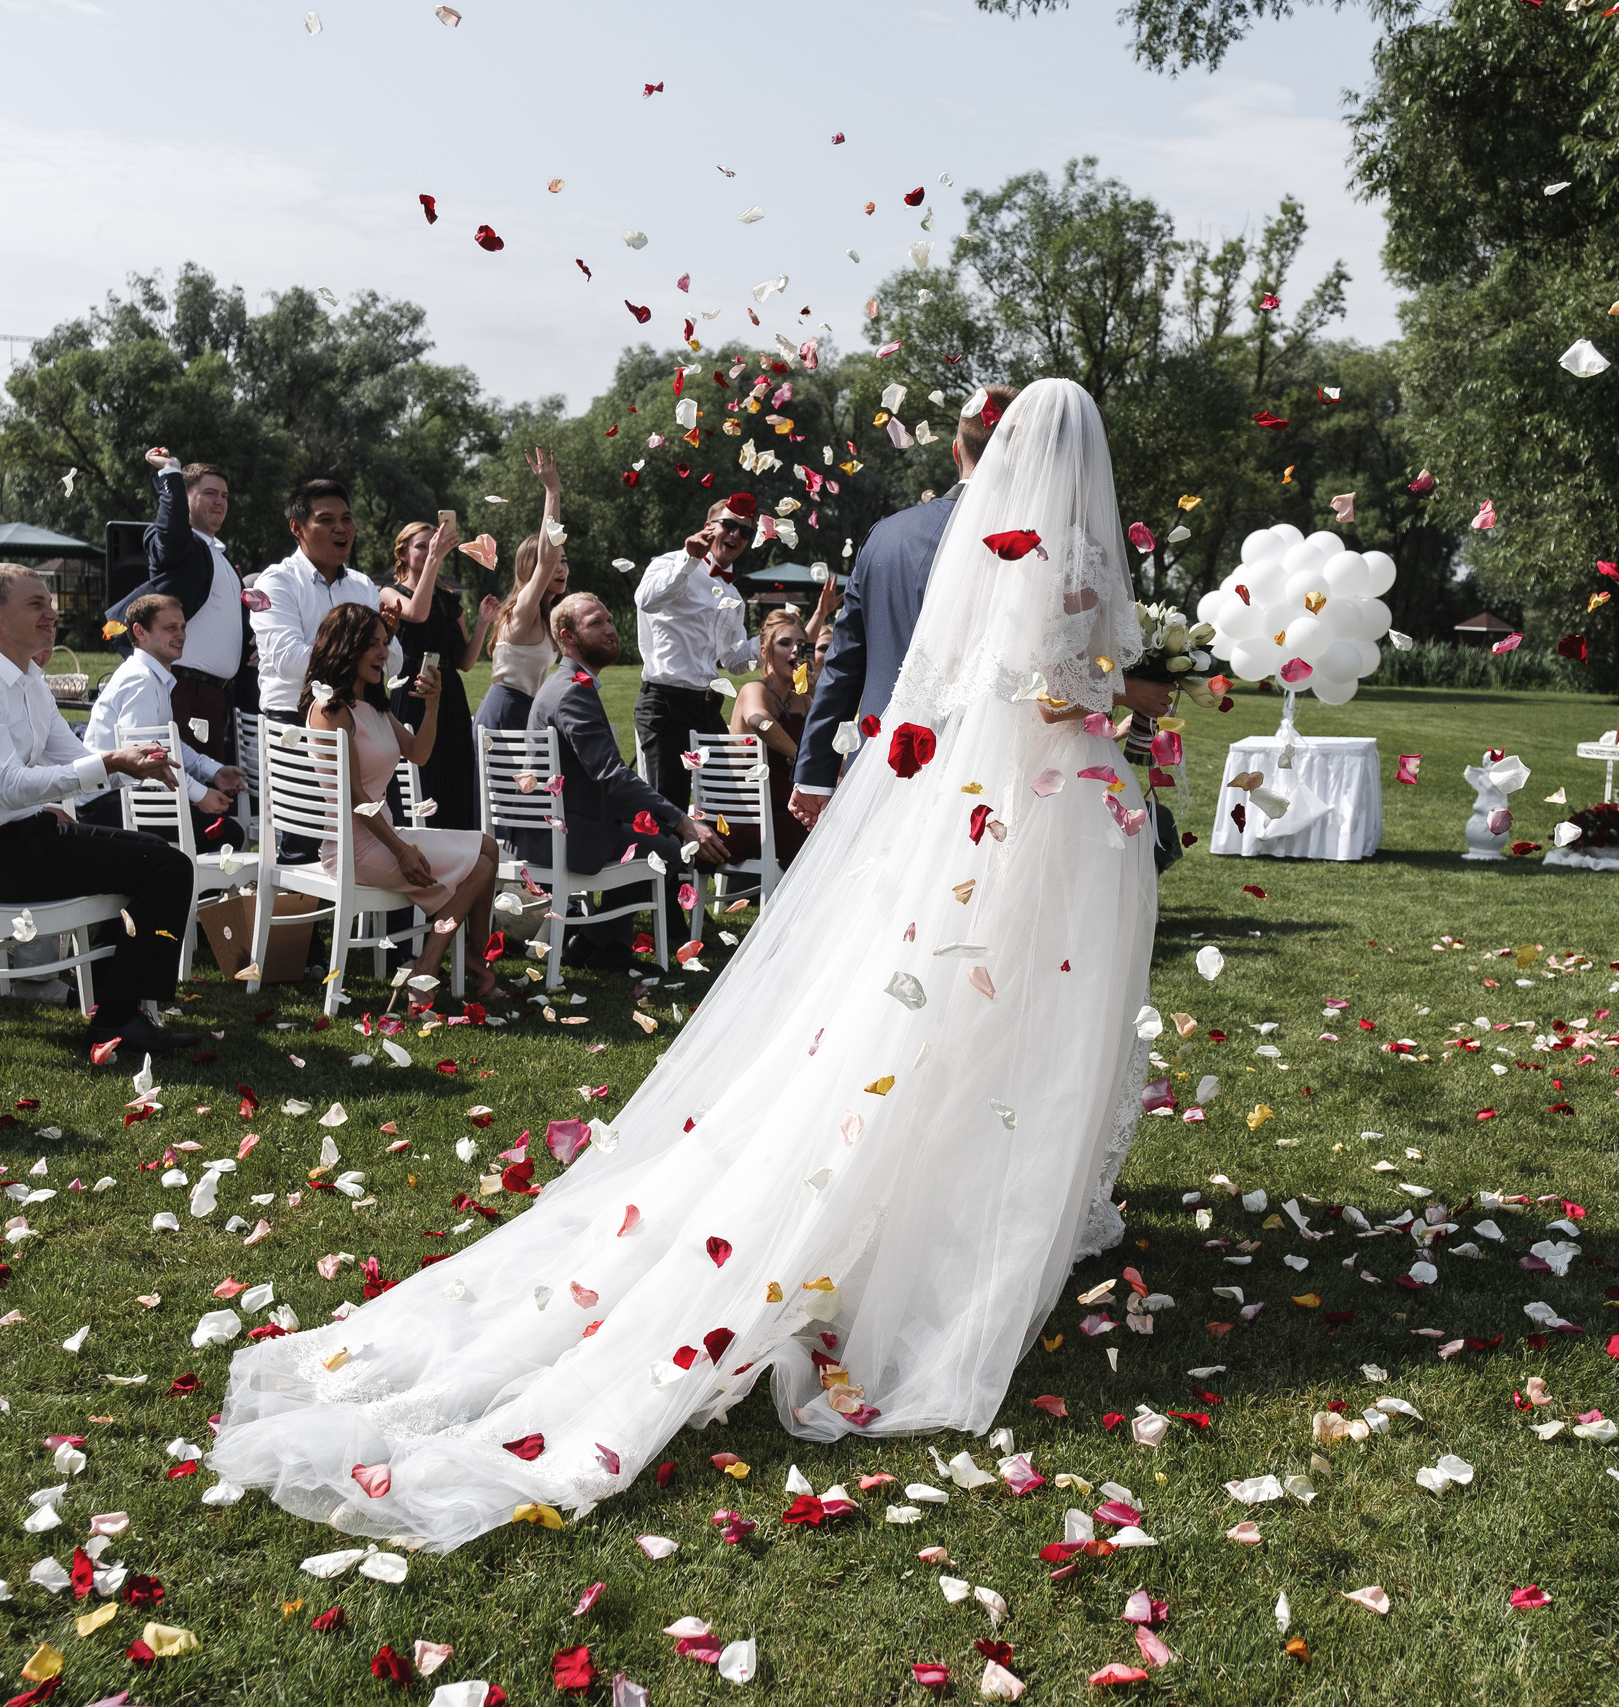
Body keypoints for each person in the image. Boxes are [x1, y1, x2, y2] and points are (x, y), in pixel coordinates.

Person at [207, 378, 1157, 1552]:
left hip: (933, 809)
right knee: (1004, 1012)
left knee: (889, 1011)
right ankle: (965, 1201)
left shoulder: (928, 537)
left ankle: (922, 1188)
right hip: (1043, 817)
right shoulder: (1065, 563)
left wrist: (839, 767)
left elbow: (898, 670)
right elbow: (1088, 689)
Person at [0, 564, 200, 1057]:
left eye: (49, 604)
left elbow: (69, 758)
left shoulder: (27, 677)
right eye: (36, 605)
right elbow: (9, 786)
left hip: (24, 839)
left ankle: (116, 1007)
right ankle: (117, 1017)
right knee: (167, 868)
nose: (52, 614)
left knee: (161, 859)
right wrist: (111, 761)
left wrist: (128, 763)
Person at [789, 386, 1019, 827]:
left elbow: (843, 662)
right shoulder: (1029, 547)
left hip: (880, 770)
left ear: (956, 451)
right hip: (985, 778)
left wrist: (815, 775)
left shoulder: (885, 535)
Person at [519, 593, 730, 973]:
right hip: (568, 839)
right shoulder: (572, 693)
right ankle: (590, 942)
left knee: (641, 834)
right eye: (595, 623)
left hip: (548, 831)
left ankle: (608, 950)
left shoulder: (563, 684)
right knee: (666, 847)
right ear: (567, 637)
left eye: (609, 620)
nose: (610, 629)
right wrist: (682, 823)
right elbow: (612, 775)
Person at [301, 605, 502, 1004]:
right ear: (346, 648)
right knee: (482, 861)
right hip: (353, 847)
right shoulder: (332, 710)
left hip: (384, 835)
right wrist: (401, 851)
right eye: (371, 645)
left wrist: (432, 705)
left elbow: (419, 753)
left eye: (384, 643)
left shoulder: (372, 706)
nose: (382, 653)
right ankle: (434, 966)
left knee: (487, 848)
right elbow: (354, 795)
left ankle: (472, 962)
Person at [77, 593, 247, 849]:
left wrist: (212, 770)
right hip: (107, 804)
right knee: (226, 832)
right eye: (170, 628)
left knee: (223, 828)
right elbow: (145, 755)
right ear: (140, 632)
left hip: (121, 797)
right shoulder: (141, 680)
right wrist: (200, 794)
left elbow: (167, 743)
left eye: (182, 627)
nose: (181, 635)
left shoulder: (149, 675)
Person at [112, 450, 245, 766]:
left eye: (224, 495)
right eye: (209, 493)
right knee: (179, 787)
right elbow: (172, 533)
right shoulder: (181, 545)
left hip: (215, 696)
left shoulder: (221, 557)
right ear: (183, 499)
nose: (219, 502)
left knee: (209, 790)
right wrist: (171, 474)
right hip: (181, 690)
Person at [633, 494, 760, 810]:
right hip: (666, 704)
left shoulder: (732, 594)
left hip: (706, 707)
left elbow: (734, 661)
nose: (736, 535)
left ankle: (708, 861)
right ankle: (675, 860)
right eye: (729, 525)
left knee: (727, 805)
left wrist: (769, 641)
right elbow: (647, 600)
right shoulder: (669, 563)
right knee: (670, 809)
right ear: (709, 527)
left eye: (745, 531)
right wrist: (689, 560)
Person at [250, 480, 403, 725]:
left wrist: (387, 636)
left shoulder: (362, 585)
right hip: (295, 723)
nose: (341, 528)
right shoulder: (273, 583)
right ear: (297, 528)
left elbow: (393, 665)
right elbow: (289, 660)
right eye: (326, 520)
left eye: (346, 519)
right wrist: (365, 651)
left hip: (359, 721)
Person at [381, 518, 499, 832]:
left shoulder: (449, 600)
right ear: (403, 553)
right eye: (420, 546)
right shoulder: (390, 592)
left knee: (456, 773)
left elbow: (465, 661)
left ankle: (459, 853)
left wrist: (484, 623)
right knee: (420, 775)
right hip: (412, 693)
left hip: (450, 696)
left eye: (430, 545)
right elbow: (417, 614)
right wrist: (434, 559)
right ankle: (416, 843)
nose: (428, 550)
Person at [474, 448, 571, 737]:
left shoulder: (549, 616)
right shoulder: (522, 609)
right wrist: (552, 491)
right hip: (505, 713)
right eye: (557, 562)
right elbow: (547, 558)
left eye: (565, 562)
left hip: (529, 711)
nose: (561, 568)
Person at [725, 607, 816, 872]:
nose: (795, 651)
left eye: (801, 646)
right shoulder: (754, 690)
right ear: (764, 652)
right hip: (750, 819)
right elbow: (758, 721)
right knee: (829, 835)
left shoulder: (804, 700)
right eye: (784, 644)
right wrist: (800, 757)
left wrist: (820, 611)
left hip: (791, 811)